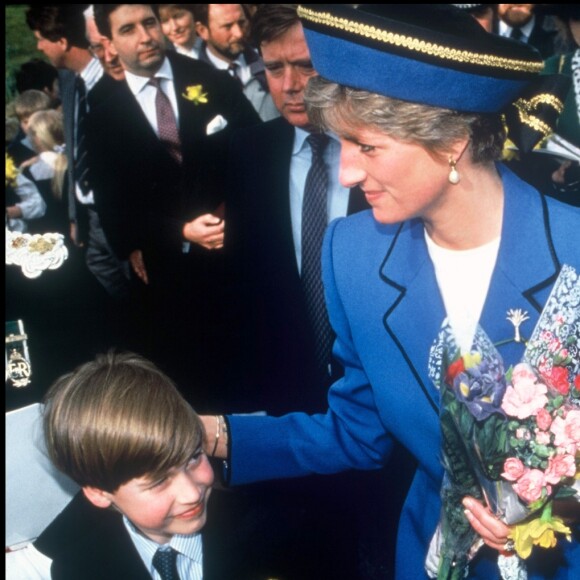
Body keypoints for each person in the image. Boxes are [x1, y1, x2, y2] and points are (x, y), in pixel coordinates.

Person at [202, 5, 580, 579]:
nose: (347, 173)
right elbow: (359, 431)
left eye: (367, 146)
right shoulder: (353, 256)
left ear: (451, 139)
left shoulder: (572, 250)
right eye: (339, 145)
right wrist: (215, 435)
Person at [88, 4, 260, 400]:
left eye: (149, 23)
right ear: (109, 43)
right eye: (128, 29)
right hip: (168, 286)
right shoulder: (103, 116)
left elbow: (257, 152)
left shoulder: (210, 81)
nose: (145, 36)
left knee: (252, 382)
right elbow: (115, 217)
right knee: (191, 392)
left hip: (238, 264)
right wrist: (178, 231)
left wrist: (232, 215)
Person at [5, 351, 215, 579]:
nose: (192, 493)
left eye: (194, 457)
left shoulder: (255, 527)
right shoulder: (76, 571)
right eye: (159, 480)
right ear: (99, 493)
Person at [25, 5, 132, 302]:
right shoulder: (71, 81)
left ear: (62, 41)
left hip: (121, 213)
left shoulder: (116, 78)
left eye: (40, 38)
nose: (38, 46)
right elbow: (75, 148)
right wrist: (76, 215)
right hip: (90, 216)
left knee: (141, 293)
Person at [194, 4, 279, 121]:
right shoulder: (194, 80)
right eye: (227, 26)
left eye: (242, 22)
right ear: (202, 30)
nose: (238, 33)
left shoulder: (269, 60)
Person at [7, 88, 54, 166]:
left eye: (37, 120)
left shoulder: (59, 141)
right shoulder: (15, 152)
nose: (30, 126)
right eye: (25, 122)